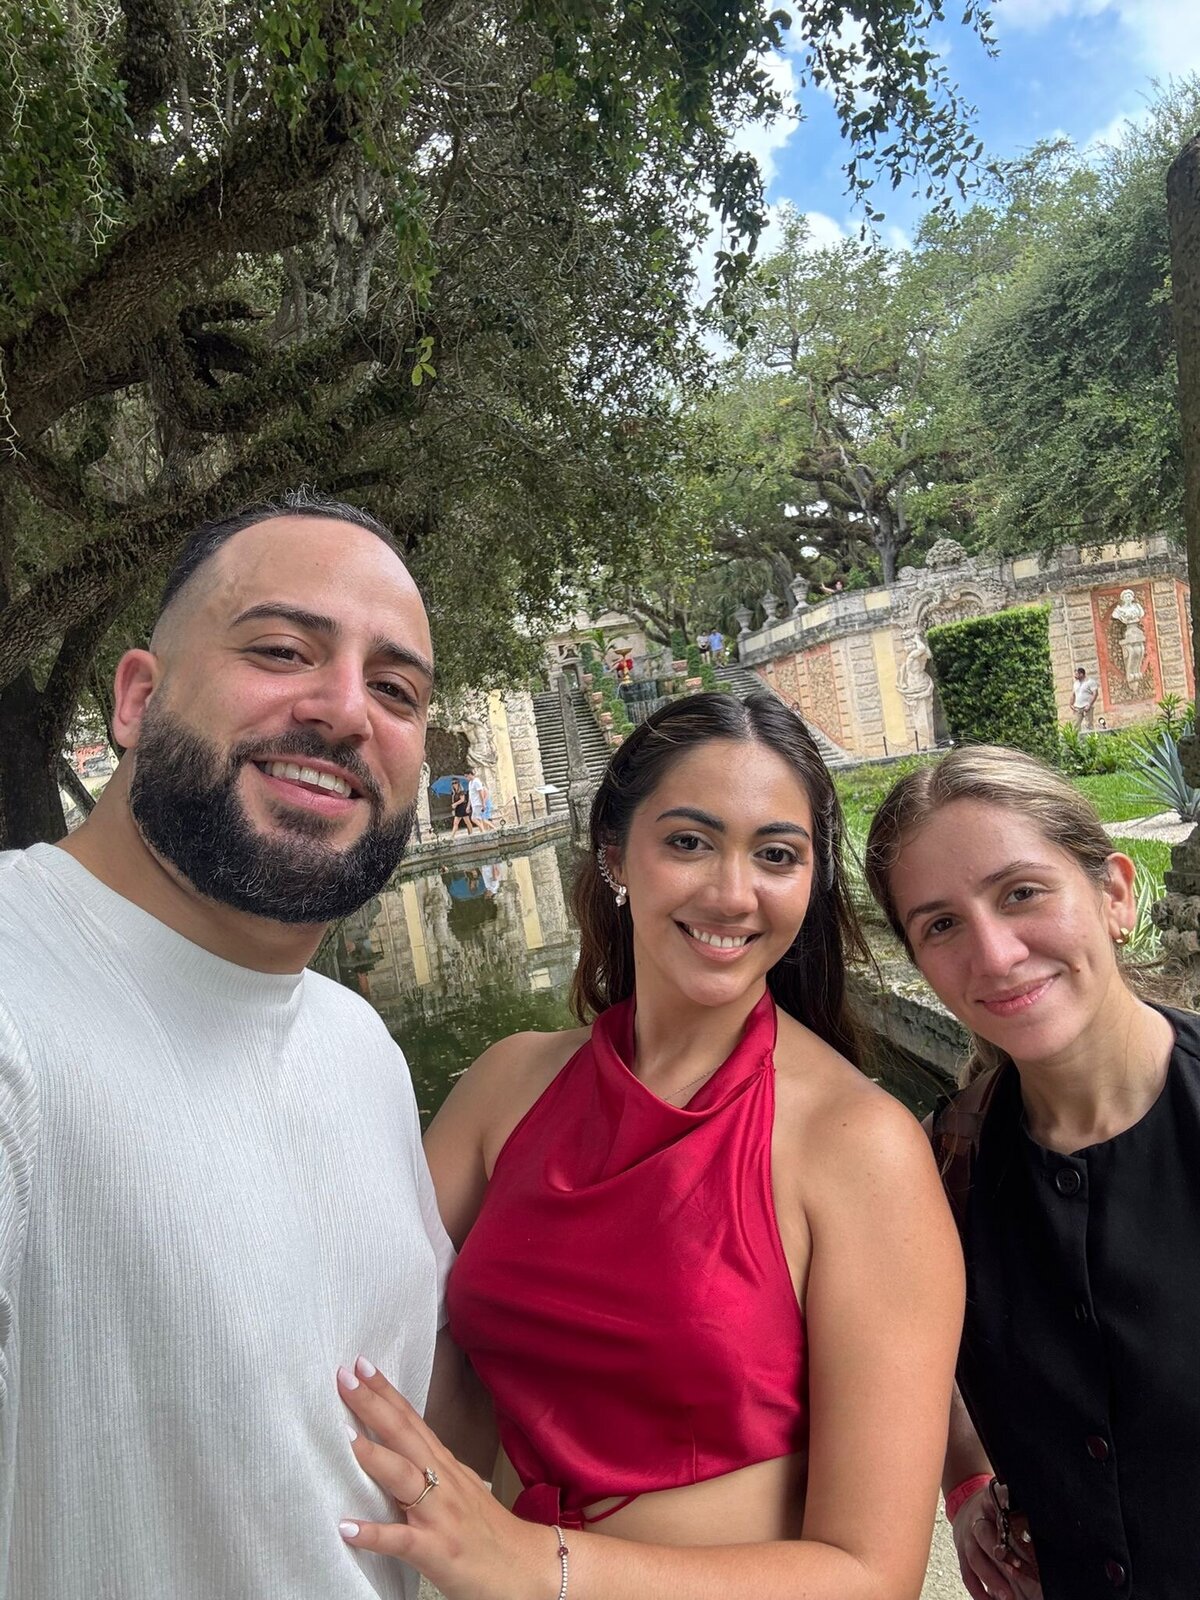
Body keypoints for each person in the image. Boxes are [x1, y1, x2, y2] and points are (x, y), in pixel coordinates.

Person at [332, 691, 964, 1600]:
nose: (732, 891)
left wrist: (533, 1562)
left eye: (776, 855)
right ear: (614, 855)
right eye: (689, 841)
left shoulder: (860, 1148)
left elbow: (873, 1574)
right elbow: (383, 1339)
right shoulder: (506, 1086)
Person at [0, 492, 457, 1600]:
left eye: (395, 689)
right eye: (283, 649)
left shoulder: (360, 1046)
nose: (347, 711)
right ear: (138, 697)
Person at [864, 744, 1200, 1600]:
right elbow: (915, 1347)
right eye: (940, 924)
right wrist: (971, 1481)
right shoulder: (942, 1164)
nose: (996, 954)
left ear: (1117, 893)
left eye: (1021, 893)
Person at [1069, 666, 1098, 731]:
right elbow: (1073, 694)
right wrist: (1071, 704)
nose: (1075, 676)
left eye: (1076, 674)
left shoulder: (1090, 682)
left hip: (1087, 706)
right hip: (1077, 707)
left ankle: (1090, 739)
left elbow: (1095, 694)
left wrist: (1089, 704)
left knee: (1088, 725)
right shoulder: (1075, 683)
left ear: (1081, 674)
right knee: (1075, 725)